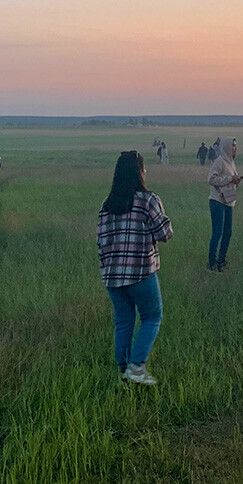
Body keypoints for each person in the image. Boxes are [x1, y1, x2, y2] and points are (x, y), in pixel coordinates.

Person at [96, 150, 173, 386]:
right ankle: (137, 366)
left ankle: (123, 372)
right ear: (139, 172)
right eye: (144, 168)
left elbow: (101, 240)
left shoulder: (108, 204)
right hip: (140, 271)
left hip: (112, 275)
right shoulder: (148, 200)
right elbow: (164, 234)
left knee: (123, 321)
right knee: (152, 316)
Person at [207, 137, 243, 272]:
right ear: (227, 147)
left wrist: (236, 181)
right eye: (233, 146)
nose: (235, 148)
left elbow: (230, 179)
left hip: (229, 201)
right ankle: (212, 263)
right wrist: (230, 178)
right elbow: (211, 179)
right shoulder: (220, 161)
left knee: (228, 233)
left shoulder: (231, 163)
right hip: (217, 201)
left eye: (236, 146)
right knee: (218, 233)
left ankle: (221, 261)